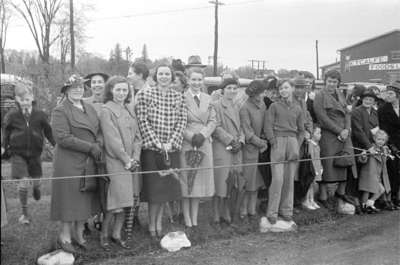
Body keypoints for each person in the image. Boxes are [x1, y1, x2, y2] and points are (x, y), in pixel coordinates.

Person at [50, 74, 102, 253]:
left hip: (88, 161)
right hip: (69, 161)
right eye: (74, 87)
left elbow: (98, 130)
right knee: (69, 200)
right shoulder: (60, 110)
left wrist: (99, 144)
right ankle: (64, 236)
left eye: (81, 86)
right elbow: (62, 138)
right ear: (66, 91)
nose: (78, 89)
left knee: (85, 199)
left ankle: (79, 234)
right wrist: (90, 147)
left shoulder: (90, 108)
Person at [136, 64, 187, 239]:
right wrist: (158, 143)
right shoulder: (145, 94)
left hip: (170, 149)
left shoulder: (178, 96)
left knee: (166, 189)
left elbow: (182, 121)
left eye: (167, 74)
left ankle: (159, 223)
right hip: (152, 149)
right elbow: (142, 121)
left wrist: (171, 142)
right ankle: (152, 225)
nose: (164, 76)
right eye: (160, 74)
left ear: (171, 77)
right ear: (155, 76)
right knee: (154, 190)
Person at [2, 82, 55, 225]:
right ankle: (24, 214)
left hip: (35, 154)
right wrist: (3, 146)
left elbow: (48, 131)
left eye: (27, 99)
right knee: (23, 183)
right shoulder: (12, 115)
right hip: (17, 154)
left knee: (36, 182)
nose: (24, 102)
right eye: (21, 99)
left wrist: (55, 144)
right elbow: (6, 132)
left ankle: (37, 188)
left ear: (32, 98)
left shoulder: (40, 114)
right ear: (17, 100)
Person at [99, 76, 142, 250]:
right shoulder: (106, 110)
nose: (121, 93)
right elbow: (112, 140)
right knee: (114, 202)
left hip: (132, 163)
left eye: (125, 90)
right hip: (116, 162)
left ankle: (116, 234)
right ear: (110, 90)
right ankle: (104, 236)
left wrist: (135, 158)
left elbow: (138, 138)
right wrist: (126, 160)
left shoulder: (129, 110)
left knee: (127, 201)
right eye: (118, 90)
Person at [264, 79, 304, 229]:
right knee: (278, 179)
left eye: (286, 87)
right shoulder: (274, 106)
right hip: (278, 142)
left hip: (292, 142)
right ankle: (272, 212)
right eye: (281, 88)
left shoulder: (298, 108)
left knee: (289, 178)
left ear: (292, 88)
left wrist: (297, 145)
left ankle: (286, 210)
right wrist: (273, 141)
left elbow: (301, 129)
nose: (283, 90)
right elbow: (268, 125)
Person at [180, 67, 217, 232]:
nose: (196, 83)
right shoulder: (180, 98)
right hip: (188, 143)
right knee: (188, 180)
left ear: (203, 81)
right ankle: (186, 218)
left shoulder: (208, 98)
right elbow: (177, 121)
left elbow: (213, 121)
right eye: (193, 80)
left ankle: (194, 218)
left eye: (199, 80)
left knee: (199, 183)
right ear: (188, 80)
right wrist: (190, 136)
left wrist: (202, 135)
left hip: (203, 142)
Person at [313, 70, 356, 209]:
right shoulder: (320, 95)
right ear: (325, 81)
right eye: (330, 81)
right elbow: (322, 117)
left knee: (346, 160)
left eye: (335, 82)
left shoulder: (341, 94)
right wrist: (339, 131)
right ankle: (323, 196)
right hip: (329, 135)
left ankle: (340, 193)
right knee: (328, 165)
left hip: (344, 134)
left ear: (338, 83)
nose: (332, 84)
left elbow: (347, 114)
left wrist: (347, 130)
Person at [212, 78, 245, 225]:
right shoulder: (216, 105)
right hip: (222, 148)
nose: (232, 91)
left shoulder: (237, 106)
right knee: (221, 183)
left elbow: (242, 127)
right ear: (222, 90)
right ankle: (216, 215)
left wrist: (241, 141)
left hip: (236, 149)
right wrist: (230, 140)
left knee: (233, 182)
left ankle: (227, 212)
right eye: (229, 88)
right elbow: (216, 127)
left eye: (234, 88)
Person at [239, 80, 268, 220]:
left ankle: (252, 209)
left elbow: (265, 124)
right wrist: (261, 143)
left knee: (256, 182)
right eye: (259, 93)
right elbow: (248, 132)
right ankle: (243, 210)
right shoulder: (245, 107)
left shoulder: (262, 105)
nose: (261, 95)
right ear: (252, 94)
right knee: (247, 182)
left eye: (262, 93)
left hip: (261, 149)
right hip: (250, 149)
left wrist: (265, 139)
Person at [351, 88, 380, 212]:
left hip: (372, 147)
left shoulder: (374, 112)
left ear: (374, 101)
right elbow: (358, 131)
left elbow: (377, 129)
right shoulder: (357, 111)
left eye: (371, 99)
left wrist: (376, 145)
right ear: (362, 99)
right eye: (366, 99)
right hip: (360, 146)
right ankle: (357, 202)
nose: (368, 101)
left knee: (369, 176)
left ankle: (366, 203)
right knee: (358, 175)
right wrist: (369, 147)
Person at [358, 130, 392, 213]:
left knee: (381, 190)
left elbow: (383, 161)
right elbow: (362, 160)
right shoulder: (370, 148)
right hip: (368, 174)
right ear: (374, 139)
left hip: (377, 175)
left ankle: (369, 203)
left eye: (383, 140)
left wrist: (387, 155)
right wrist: (363, 156)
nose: (381, 141)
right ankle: (364, 206)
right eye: (379, 139)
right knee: (367, 191)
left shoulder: (383, 149)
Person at [378, 81, 400, 207]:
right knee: (392, 170)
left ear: (397, 95)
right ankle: (391, 197)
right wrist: (391, 145)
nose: (388, 95)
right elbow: (383, 129)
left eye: (391, 93)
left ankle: (397, 196)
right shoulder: (383, 109)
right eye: (387, 93)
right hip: (391, 144)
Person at [302, 127, 323, 210]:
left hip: (317, 169)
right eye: (318, 133)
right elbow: (311, 159)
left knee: (313, 185)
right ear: (312, 134)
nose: (320, 135)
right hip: (312, 169)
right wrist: (314, 169)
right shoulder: (310, 145)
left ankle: (312, 200)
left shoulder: (317, 146)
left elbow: (319, 158)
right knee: (309, 185)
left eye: (320, 133)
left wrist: (321, 167)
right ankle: (306, 200)